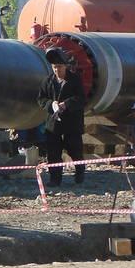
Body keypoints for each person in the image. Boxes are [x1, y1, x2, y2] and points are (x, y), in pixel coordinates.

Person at [37, 47, 86, 186]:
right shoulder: (48, 81)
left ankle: (80, 173)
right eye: (54, 67)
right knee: (53, 152)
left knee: (75, 150)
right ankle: (55, 178)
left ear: (65, 66)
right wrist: (51, 104)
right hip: (53, 124)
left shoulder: (75, 80)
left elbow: (81, 99)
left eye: (59, 67)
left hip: (72, 123)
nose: (57, 70)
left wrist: (67, 104)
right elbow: (41, 99)